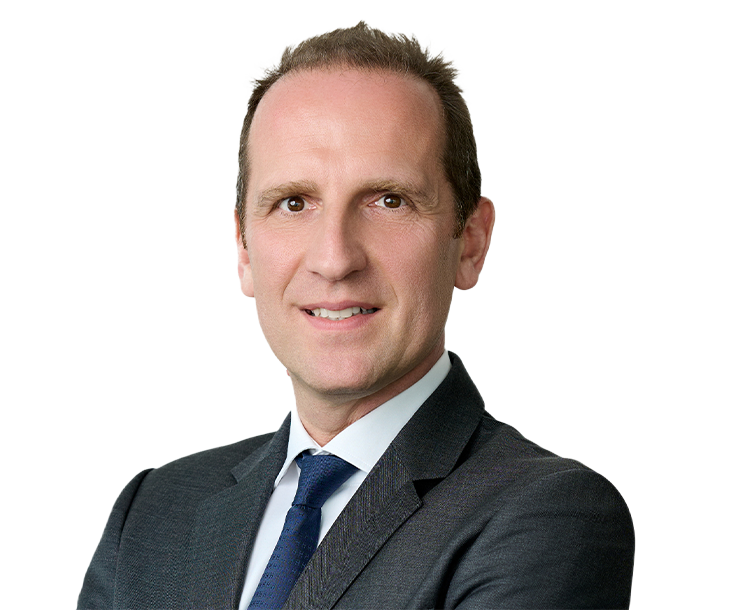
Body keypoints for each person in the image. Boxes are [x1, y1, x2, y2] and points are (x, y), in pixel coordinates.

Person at [78, 21, 634, 609]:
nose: (335, 258)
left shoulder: (548, 515)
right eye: (293, 203)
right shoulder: (153, 512)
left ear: (469, 242)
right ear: (243, 249)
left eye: (389, 201)